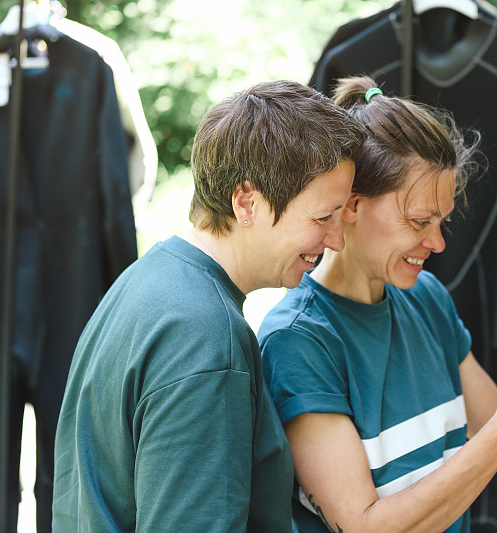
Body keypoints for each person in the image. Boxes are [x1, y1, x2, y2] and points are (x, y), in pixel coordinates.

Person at [256, 76, 497, 533]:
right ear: (352, 206)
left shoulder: (427, 298)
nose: (436, 242)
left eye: (442, 221)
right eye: (419, 221)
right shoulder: (298, 340)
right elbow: (364, 527)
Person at [52, 80, 367, 532]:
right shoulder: (205, 338)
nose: (336, 239)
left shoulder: (145, 280)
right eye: (322, 217)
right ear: (246, 202)